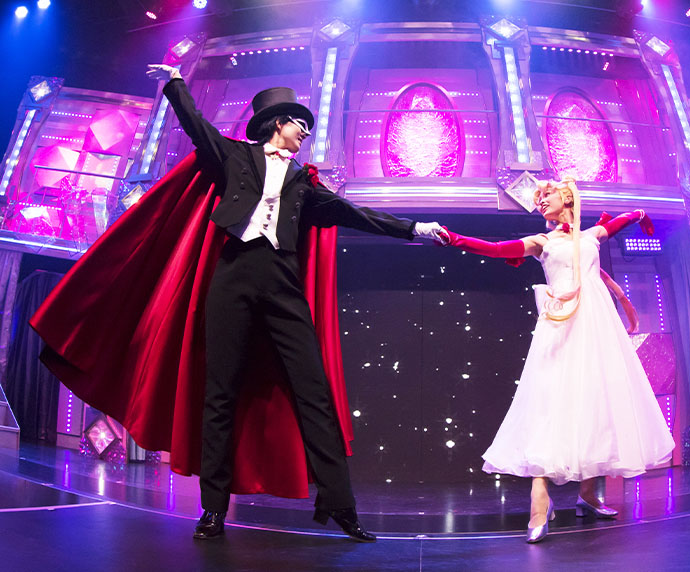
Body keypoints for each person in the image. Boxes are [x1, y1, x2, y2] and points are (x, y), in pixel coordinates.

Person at [33, 63, 445, 544]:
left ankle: (339, 504)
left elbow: (355, 214)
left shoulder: (305, 183)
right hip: (232, 279)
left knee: (315, 394)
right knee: (220, 393)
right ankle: (213, 510)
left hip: (283, 286)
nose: (305, 133)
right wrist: (175, 83)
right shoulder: (232, 157)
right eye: (300, 125)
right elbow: (197, 126)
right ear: (277, 123)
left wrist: (414, 228)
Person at [439, 176, 675, 543]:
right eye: (539, 198)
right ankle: (540, 501)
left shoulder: (590, 236)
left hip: (598, 331)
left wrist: (638, 214)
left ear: (567, 198)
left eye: (547, 195)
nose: (541, 201)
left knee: (597, 403)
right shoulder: (543, 242)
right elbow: (497, 249)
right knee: (550, 405)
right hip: (561, 328)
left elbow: (616, 223)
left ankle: (588, 495)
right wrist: (455, 239)